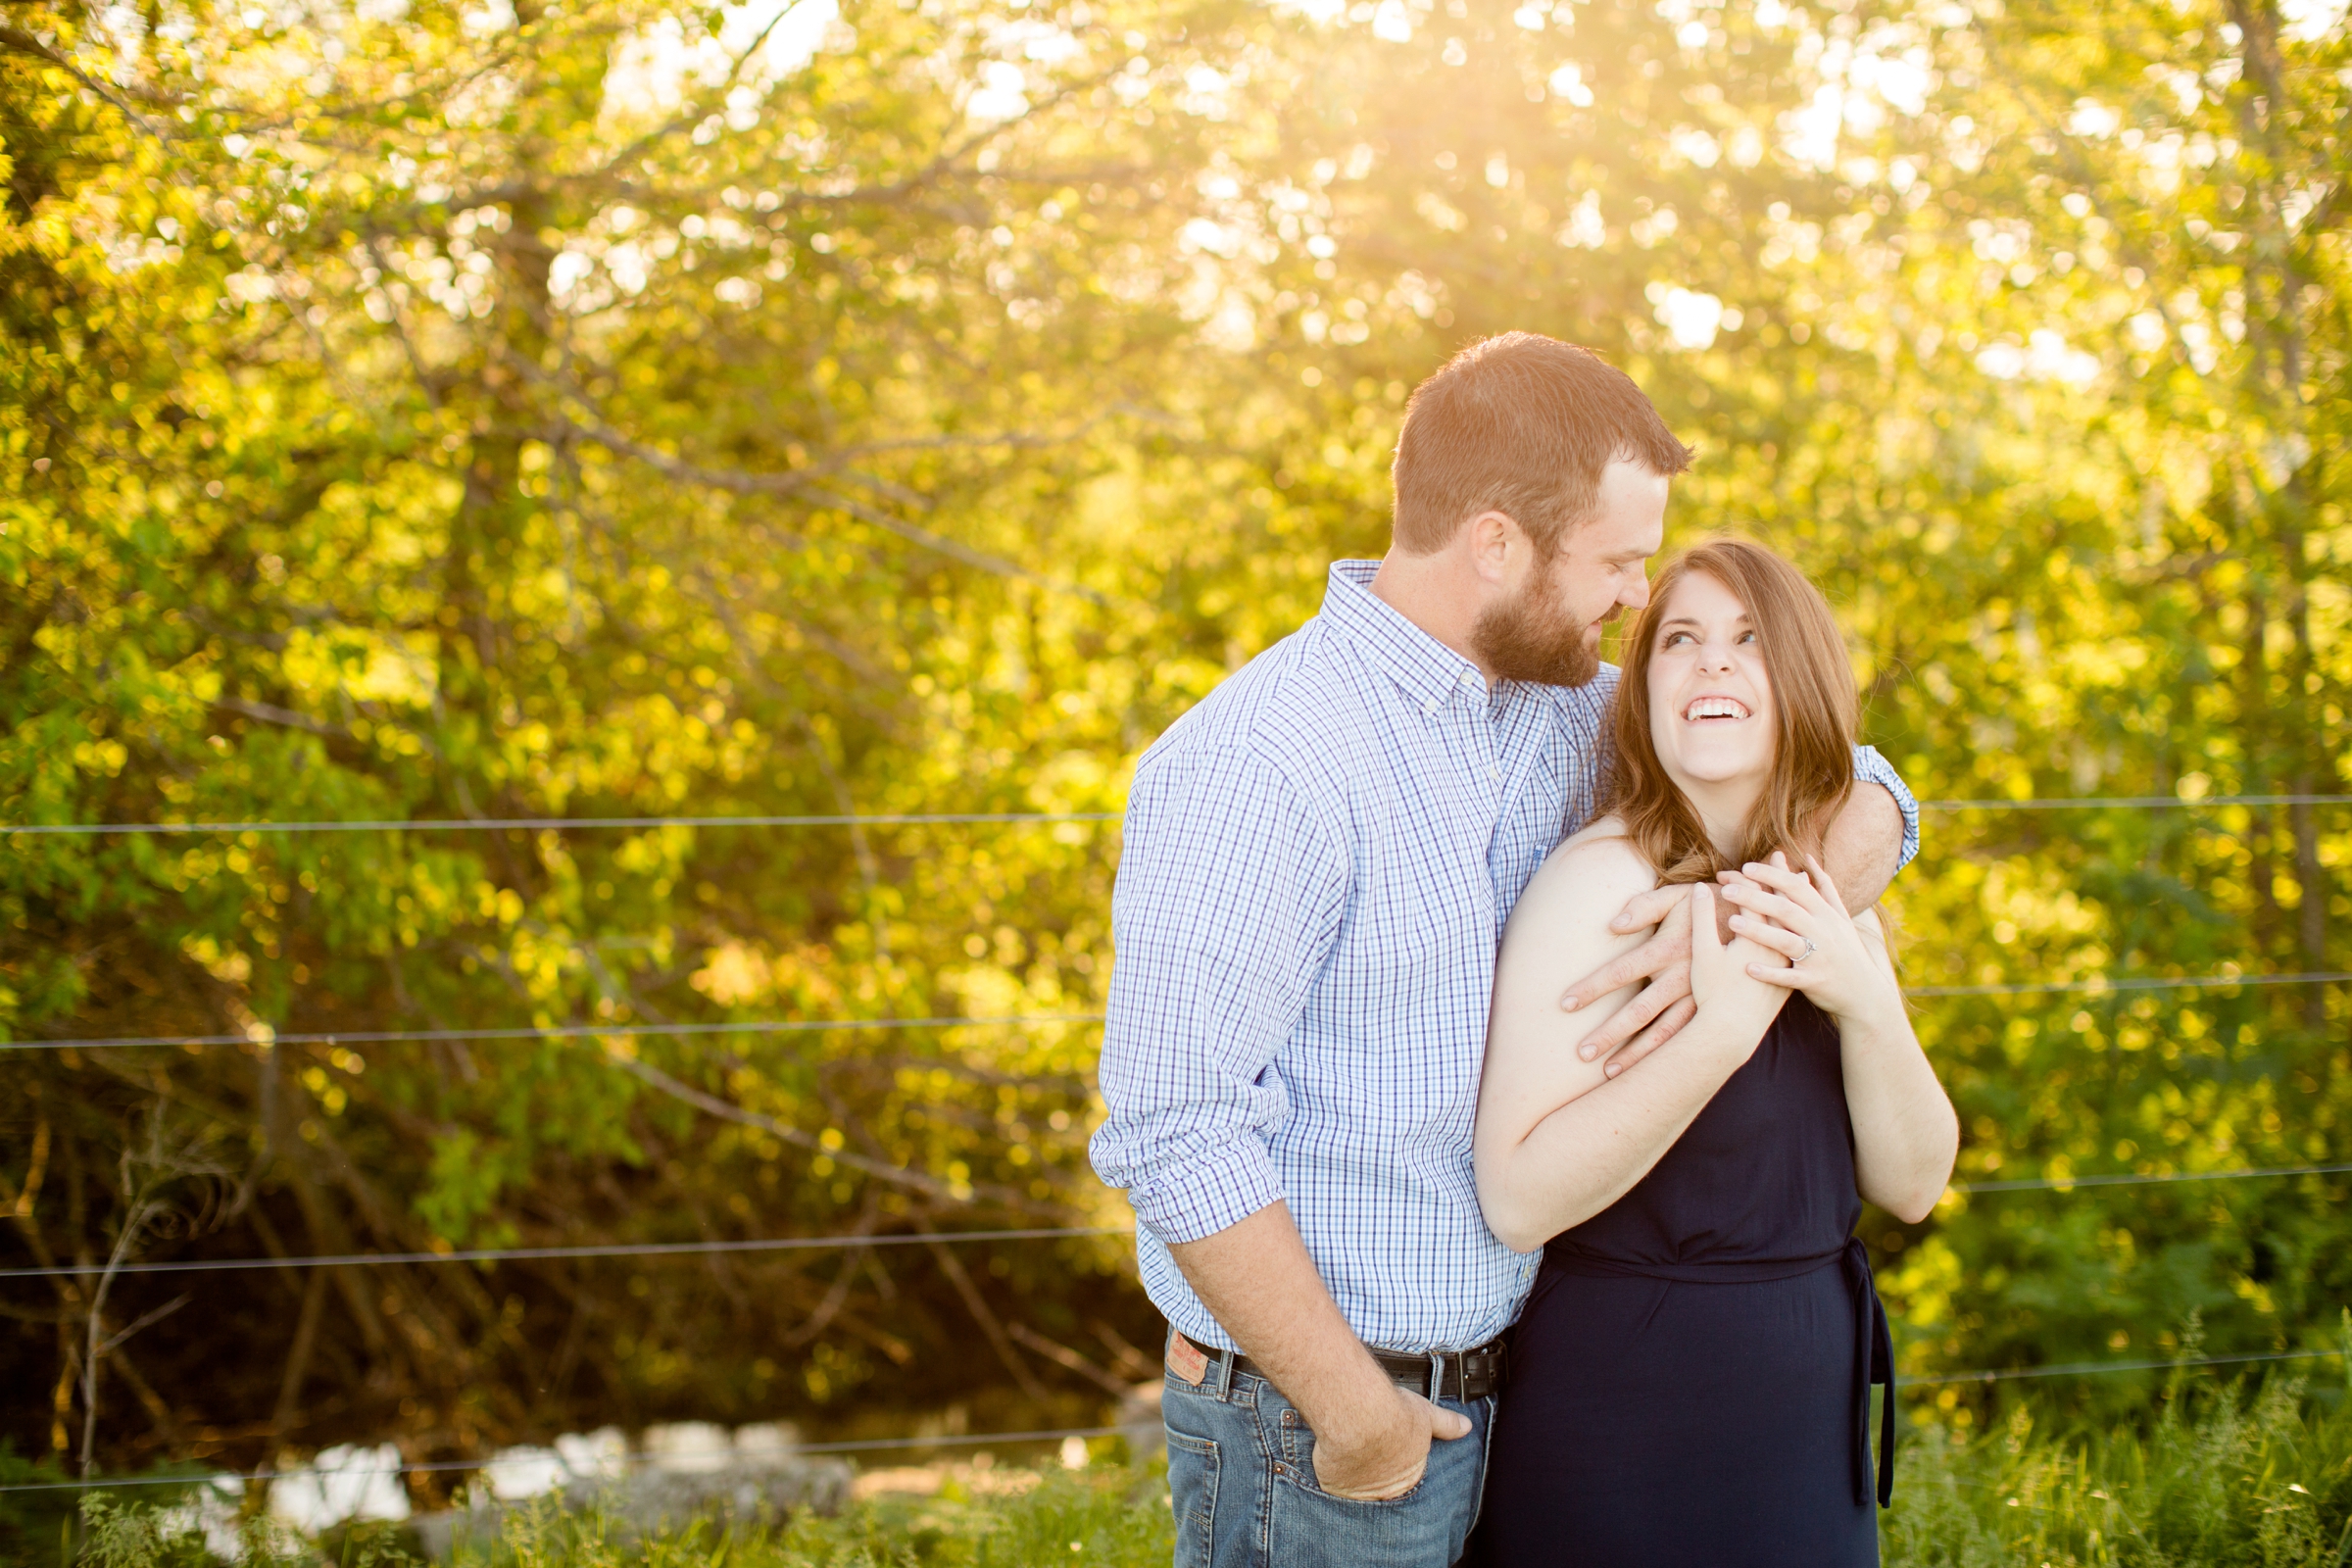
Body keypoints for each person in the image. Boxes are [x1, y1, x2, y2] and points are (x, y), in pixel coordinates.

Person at [1089, 332, 1920, 1568]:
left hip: (1524, 1391)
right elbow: (1173, 1126)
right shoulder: (1258, 763)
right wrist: (1356, 1418)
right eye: (1619, 562)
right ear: (1495, 543)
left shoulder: (1565, 701)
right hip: (1321, 1420)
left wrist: (1741, 934)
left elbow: (1866, 787)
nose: (1640, 600)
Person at [1469, 539, 1960, 1567]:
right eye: (1679, 640)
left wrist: (1864, 998)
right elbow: (1517, 1197)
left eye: (1749, 640)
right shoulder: (1606, 889)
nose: (1713, 664)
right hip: (1627, 1425)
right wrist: (1726, 1030)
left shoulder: (1824, 894)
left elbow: (1914, 1182)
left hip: (1805, 1438)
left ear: (1803, 680)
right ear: (1642, 687)